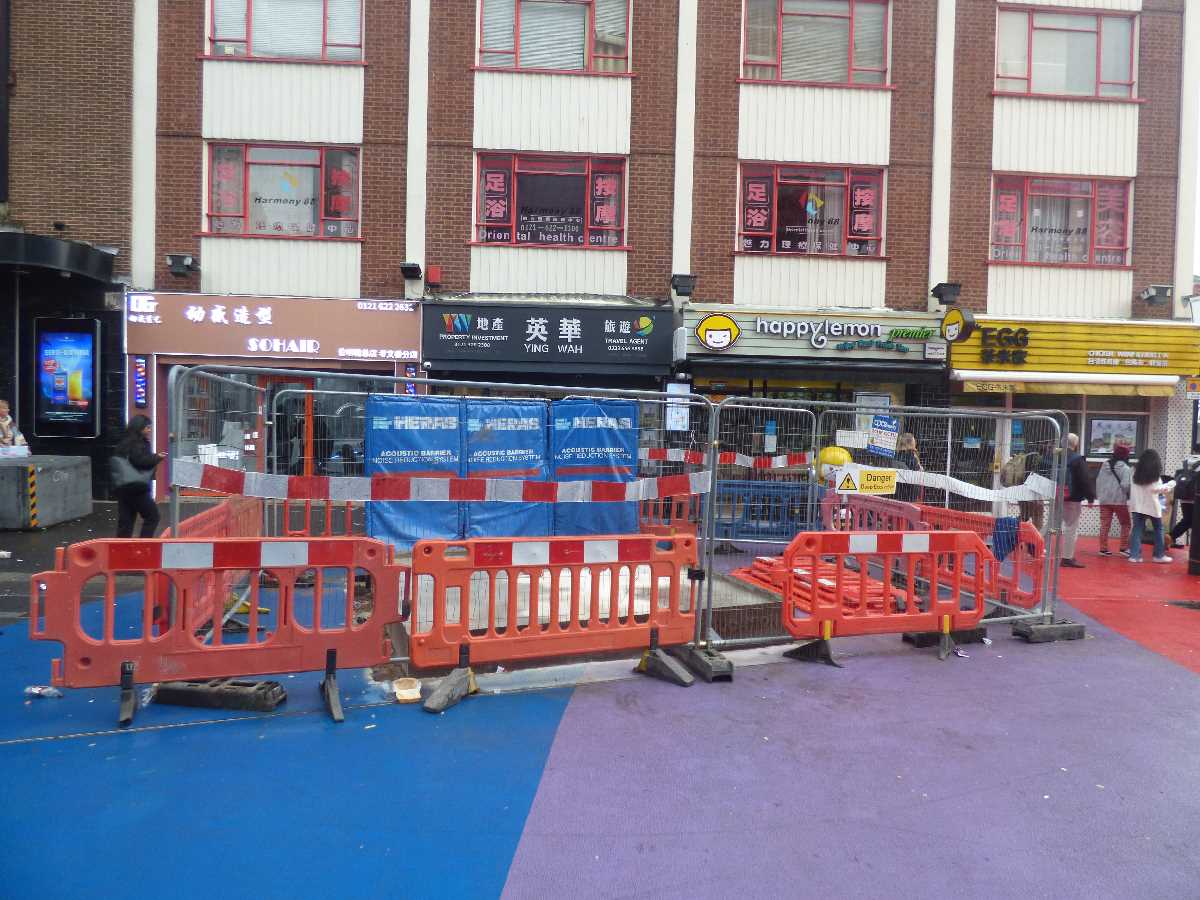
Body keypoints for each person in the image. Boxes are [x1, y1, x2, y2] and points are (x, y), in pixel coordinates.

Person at [111, 415, 165, 538]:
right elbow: (140, 461)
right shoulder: (138, 443)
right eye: (148, 427)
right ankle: (143, 547)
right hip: (137, 488)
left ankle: (121, 551)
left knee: (126, 523)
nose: (150, 430)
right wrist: (157, 457)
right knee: (152, 517)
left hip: (123, 487)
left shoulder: (124, 442)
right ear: (139, 428)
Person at [1127, 448, 1175, 564]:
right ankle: (1158, 555)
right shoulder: (1154, 475)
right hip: (1152, 506)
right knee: (1158, 529)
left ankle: (1135, 556)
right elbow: (1157, 489)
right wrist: (1171, 484)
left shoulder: (1133, 471)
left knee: (1137, 529)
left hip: (1137, 505)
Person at [1061, 433, 1095, 569]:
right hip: (1072, 498)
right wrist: (1091, 497)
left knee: (1051, 524)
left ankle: (1033, 547)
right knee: (1071, 527)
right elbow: (1085, 480)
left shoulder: (1056, 457)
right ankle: (1067, 558)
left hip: (1056, 495)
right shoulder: (1077, 460)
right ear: (1075, 444)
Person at [1095, 441, 1132, 557]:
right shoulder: (1126, 468)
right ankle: (1123, 548)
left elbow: (1098, 481)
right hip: (1119, 500)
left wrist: (1100, 495)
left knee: (1105, 525)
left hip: (1104, 499)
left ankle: (1103, 549)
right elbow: (1126, 485)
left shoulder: (1105, 464)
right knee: (1126, 523)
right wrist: (1128, 494)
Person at [1169, 457, 1198, 549]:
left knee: (1187, 521)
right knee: (1193, 522)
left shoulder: (1185, 461)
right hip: (1196, 498)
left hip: (1184, 497)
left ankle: (1171, 536)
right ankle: (1171, 536)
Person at [894, 432, 922, 503]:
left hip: (896, 492)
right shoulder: (911, 456)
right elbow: (918, 474)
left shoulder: (895, 455)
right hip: (910, 494)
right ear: (912, 443)